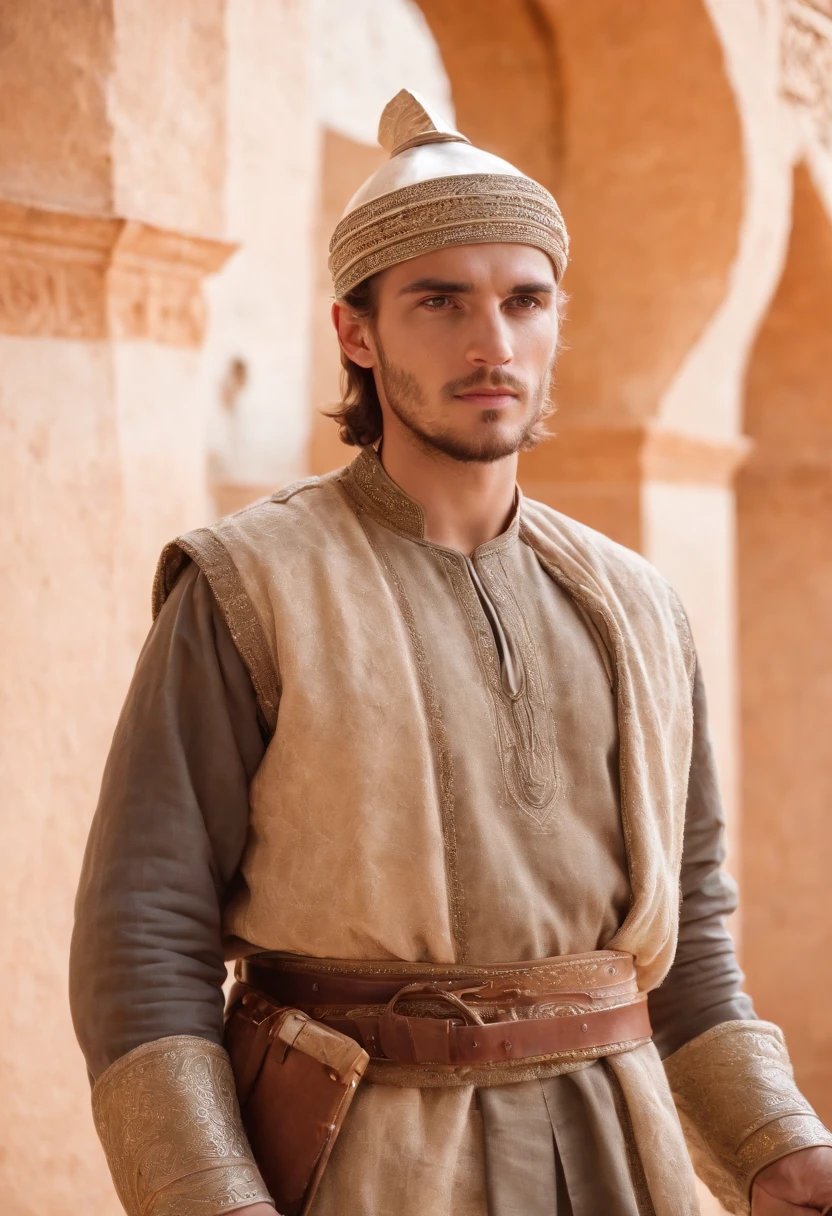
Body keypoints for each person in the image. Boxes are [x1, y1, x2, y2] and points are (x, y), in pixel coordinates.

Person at [70, 89, 832, 1216]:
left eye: (526, 301)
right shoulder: (249, 585)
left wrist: (777, 1143)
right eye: (441, 301)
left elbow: (688, 938)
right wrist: (206, 1199)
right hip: (359, 1165)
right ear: (356, 332)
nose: (493, 343)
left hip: (623, 1161)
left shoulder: (637, 605)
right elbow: (143, 935)